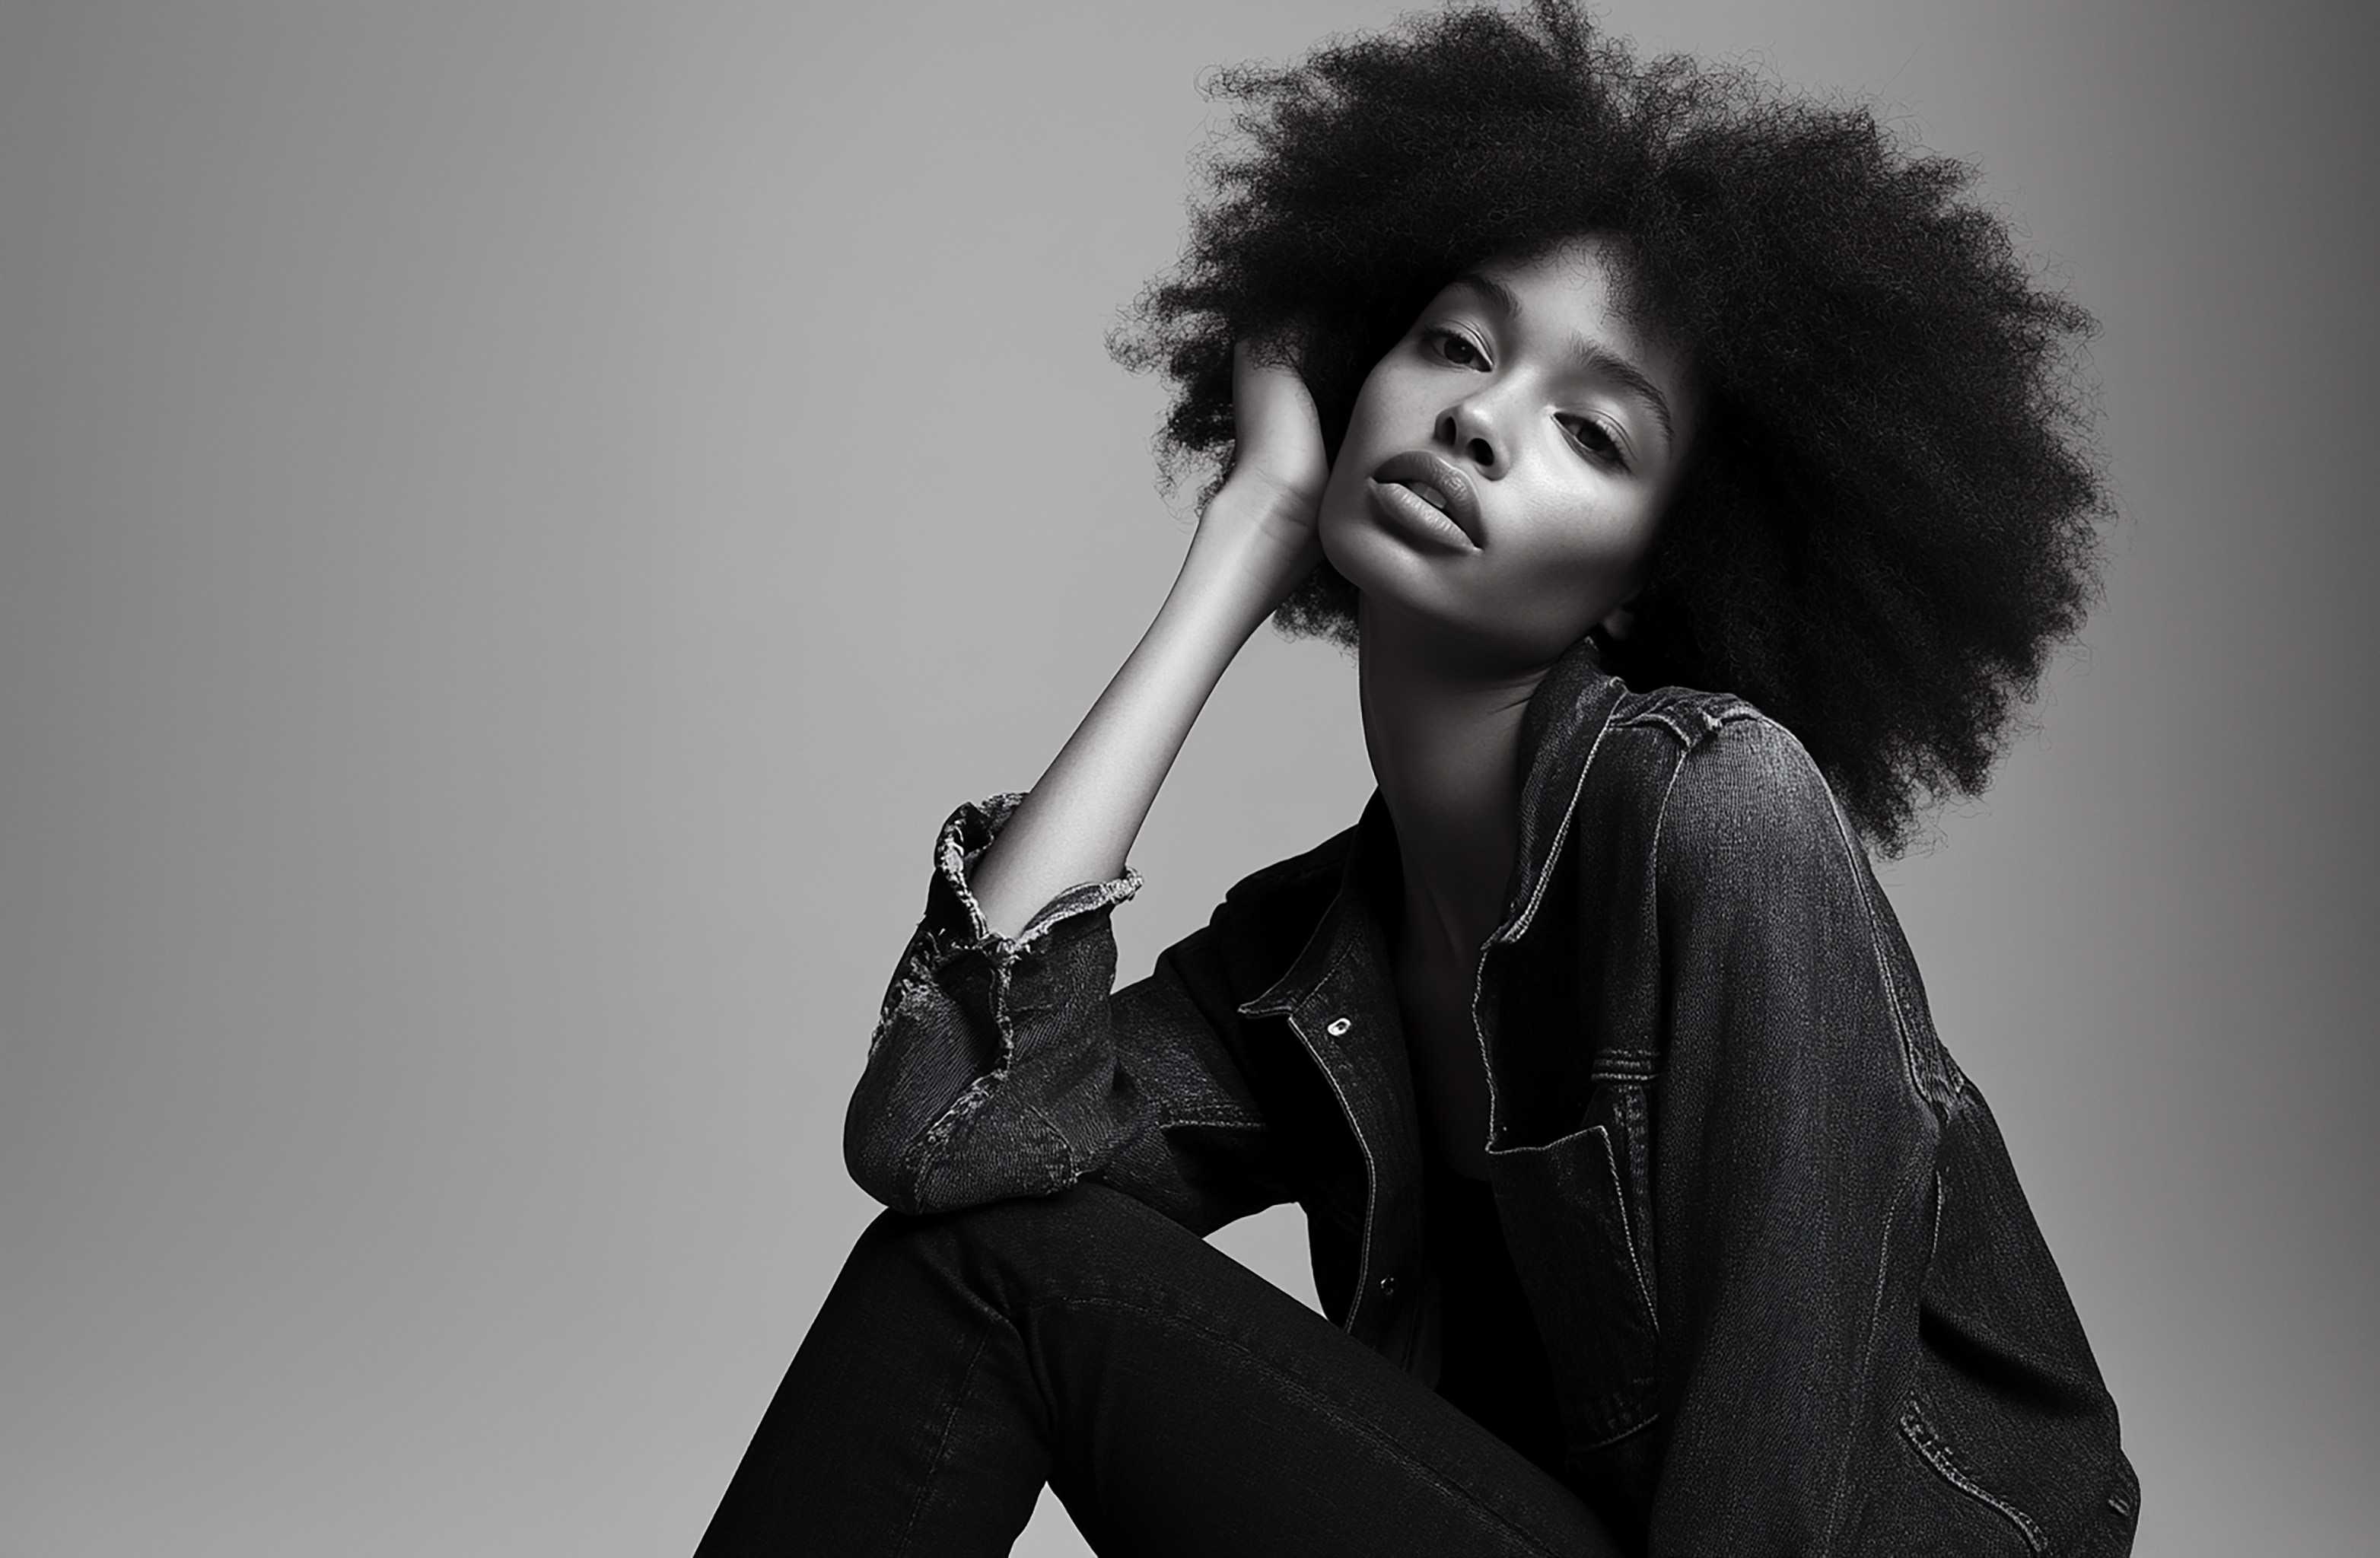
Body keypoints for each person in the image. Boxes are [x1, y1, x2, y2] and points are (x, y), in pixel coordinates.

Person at [698, 2, 2135, 1552]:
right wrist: (1240, 543)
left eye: (1588, 430)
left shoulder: (1723, 820)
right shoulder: (1316, 953)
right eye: (1453, 343)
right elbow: (944, 1147)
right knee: (966, 1261)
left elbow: (1770, 1499)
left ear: (1659, 571)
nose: (1477, 419)